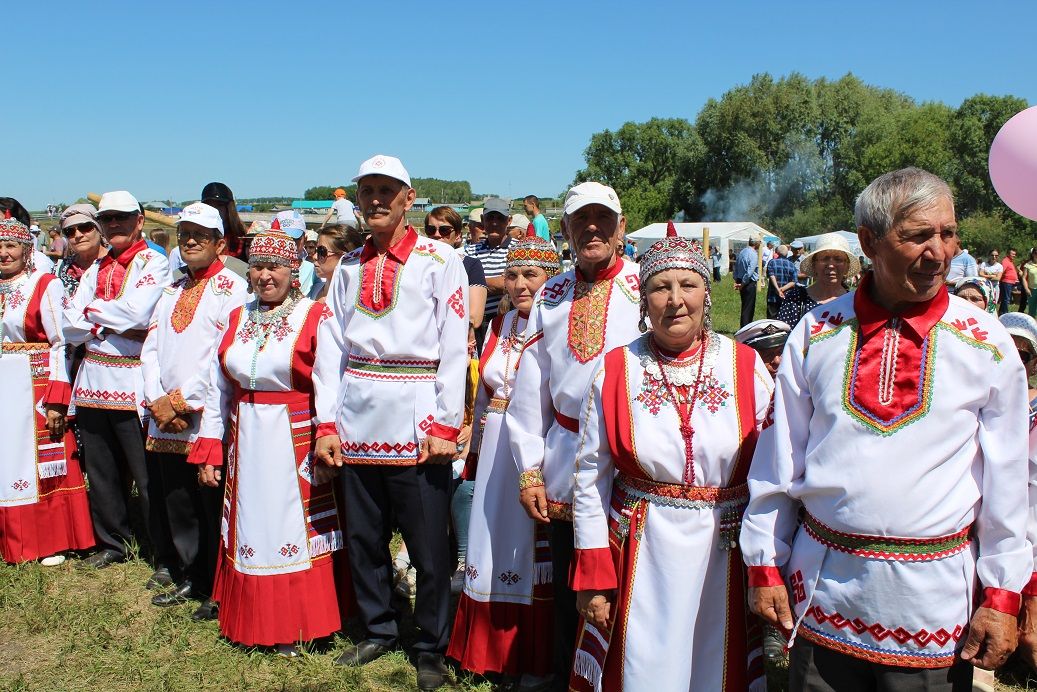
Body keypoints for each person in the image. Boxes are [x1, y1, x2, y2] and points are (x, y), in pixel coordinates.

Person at [741, 167, 1030, 690]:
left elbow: (1009, 481)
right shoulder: (817, 330)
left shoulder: (986, 340)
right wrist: (764, 562)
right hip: (825, 598)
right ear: (870, 242)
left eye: (948, 233)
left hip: (934, 608)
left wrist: (1005, 595)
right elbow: (782, 456)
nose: (939, 252)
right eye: (918, 235)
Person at [568, 225, 772, 691]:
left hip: (723, 550)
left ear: (708, 294)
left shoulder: (745, 366)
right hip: (643, 548)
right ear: (645, 300)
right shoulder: (617, 368)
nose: (675, 300)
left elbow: (773, 473)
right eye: (661, 287)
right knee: (645, 665)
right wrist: (594, 570)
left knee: (713, 664)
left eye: (688, 285)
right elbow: (589, 477)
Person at [313, 155, 468, 690]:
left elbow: (453, 343)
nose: (376, 199)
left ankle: (430, 644)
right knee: (365, 535)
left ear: (409, 197)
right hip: (357, 417)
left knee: (428, 544)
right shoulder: (350, 264)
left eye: (387, 190)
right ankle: (378, 628)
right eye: (367, 190)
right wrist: (325, 424)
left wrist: (447, 423)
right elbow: (331, 346)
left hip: (416, 417)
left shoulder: (437, 258)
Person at [187, 228, 350, 655]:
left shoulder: (315, 315)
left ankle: (302, 621)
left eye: (274, 266)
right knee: (250, 520)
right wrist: (210, 445)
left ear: (293, 270)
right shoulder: (238, 317)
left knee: (290, 524)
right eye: (257, 266)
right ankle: (251, 613)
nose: (264, 275)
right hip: (246, 433)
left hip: (292, 435)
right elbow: (217, 387)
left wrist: (328, 430)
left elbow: (328, 380)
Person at [506, 182, 643, 689]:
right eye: (580, 220)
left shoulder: (644, 285)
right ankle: (570, 674)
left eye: (602, 219)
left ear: (621, 227)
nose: (592, 228)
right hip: (566, 457)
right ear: (563, 230)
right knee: (571, 577)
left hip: (635, 459)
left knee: (631, 578)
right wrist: (529, 468)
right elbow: (529, 390)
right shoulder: (552, 293)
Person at [448, 230, 561, 687]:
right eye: (512, 275)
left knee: (527, 550)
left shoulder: (557, 328)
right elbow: (487, 390)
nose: (520, 285)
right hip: (494, 448)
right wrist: (471, 442)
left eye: (531, 275)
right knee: (490, 545)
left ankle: (531, 657)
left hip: (534, 448)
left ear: (551, 278)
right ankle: (487, 650)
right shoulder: (502, 324)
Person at [140, 203, 249, 620]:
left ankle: (216, 583)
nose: (188, 240)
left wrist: (182, 402)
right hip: (165, 414)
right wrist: (158, 399)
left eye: (199, 235)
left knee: (210, 501)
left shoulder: (232, 289)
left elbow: (220, 358)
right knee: (177, 497)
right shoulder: (171, 290)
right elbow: (150, 350)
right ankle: (191, 574)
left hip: (207, 415)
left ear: (220, 243)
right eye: (184, 233)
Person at [62, 191, 173, 578]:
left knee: (146, 472)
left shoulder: (152, 262)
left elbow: (138, 312)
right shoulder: (96, 267)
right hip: (93, 378)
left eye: (122, 218)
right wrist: (104, 320)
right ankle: (113, 541)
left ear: (139, 220)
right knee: (102, 467)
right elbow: (67, 321)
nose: (114, 225)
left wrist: (91, 318)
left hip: (134, 380)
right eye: (107, 219)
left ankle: (163, 551)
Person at [0, 213, 94, 565]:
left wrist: (56, 397)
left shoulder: (44, 284)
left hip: (33, 383)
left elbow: (60, 343)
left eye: (11, 246)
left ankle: (49, 539)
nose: (4, 253)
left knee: (44, 461)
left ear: (27, 251)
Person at [776, 233, 859, 326]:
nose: (831, 265)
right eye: (825, 259)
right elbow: (783, 338)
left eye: (838, 259)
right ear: (814, 265)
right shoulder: (796, 299)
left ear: (846, 266)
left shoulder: (856, 303)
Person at [466, 197, 512, 333]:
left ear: (509, 221)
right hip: (475, 325)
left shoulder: (518, 249)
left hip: (506, 321)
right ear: (482, 219)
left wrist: (475, 284)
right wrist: (496, 283)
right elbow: (458, 283)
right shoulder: (470, 250)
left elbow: (508, 285)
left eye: (500, 218)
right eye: (490, 218)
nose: (494, 223)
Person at [55, 204, 108, 297]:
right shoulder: (60, 269)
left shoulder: (120, 263)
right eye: (70, 231)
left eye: (85, 227)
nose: (78, 235)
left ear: (99, 230)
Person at [310, 224, 363, 301]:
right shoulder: (313, 288)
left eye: (321, 251)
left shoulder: (354, 301)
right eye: (316, 250)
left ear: (346, 257)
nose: (314, 257)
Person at [733, 236, 761, 328]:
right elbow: (750, 271)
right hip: (748, 283)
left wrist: (737, 280)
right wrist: (743, 283)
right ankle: (746, 328)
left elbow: (736, 266)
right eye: (759, 242)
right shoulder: (753, 254)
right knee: (749, 307)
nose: (760, 244)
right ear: (756, 243)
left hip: (741, 280)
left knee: (745, 305)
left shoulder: (742, 252)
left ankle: (744, 327)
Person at [766, 244, 797, 319]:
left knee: (771, 321)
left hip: (772, 296)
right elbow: (794, 281)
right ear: (787, 253)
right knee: (783, 320)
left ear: (777, 252)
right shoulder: (792, 265)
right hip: (786, 297)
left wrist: (778, 289)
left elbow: (771, 276)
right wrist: (782, 290)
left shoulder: (772, 262)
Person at [1000, 248, 1019, 315]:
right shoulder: (1005, 261)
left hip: (1009, 283)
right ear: (1008, 254)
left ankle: (1002, 312)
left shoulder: (1010, 261)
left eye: (1015, 254)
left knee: (1006, 298)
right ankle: (1005, 313)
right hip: (1006, 282)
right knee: (1006, 299)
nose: (1014, 255)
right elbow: (1001, 271)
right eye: (1012, 254)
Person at [1020, 248, 1037, 317]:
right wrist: (1026, 289)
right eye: (1036, 253)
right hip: (1032, 290)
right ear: (1033, 254)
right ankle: (1032, 326)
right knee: (1032, 311)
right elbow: (1024, 278)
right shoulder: (1027, 265)